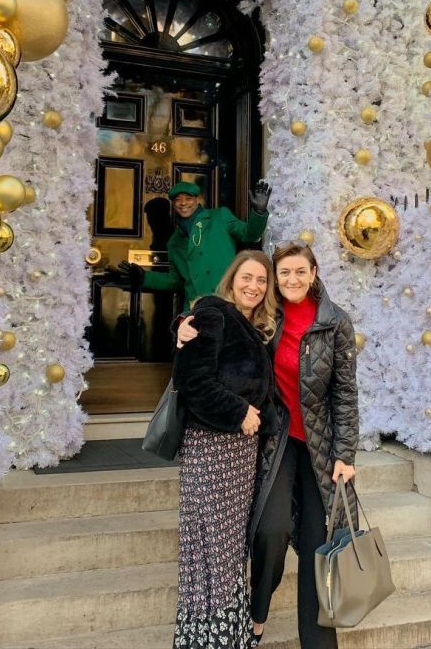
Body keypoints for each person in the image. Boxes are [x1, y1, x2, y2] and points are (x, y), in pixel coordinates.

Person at [178, 241, 359, 649]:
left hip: (320, 446)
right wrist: (181, 324)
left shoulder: (335, 322)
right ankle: (256, 617)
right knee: (270, 531)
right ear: (276, 280)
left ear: (314, 274)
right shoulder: (266, 318)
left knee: (318, 541)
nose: (292, 280)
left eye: (300, 272)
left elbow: (345, 393)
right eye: (284, 273)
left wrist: (345, 453)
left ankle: (319, 643)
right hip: (275, 442)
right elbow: (218, 319)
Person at [171, 250, 279, 649]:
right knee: (210, 546)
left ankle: (230, 636)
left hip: (240, 452)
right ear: (231, 280)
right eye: (246, 278)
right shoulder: (214, 314)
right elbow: (191, 380)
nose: (253, 286)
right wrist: (238, 413)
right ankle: (206, 638)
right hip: (212, 446)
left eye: (261, 281)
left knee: (229, 547)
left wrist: (258, 420)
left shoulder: (254, 326)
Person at [119, 180, 272, 305]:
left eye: (188, 198)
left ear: (197, 200)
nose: (183, 203)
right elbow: (176, 281)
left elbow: (249, 234)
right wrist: (144, 278)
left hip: (226, 302)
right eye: (178, 200)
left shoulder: (219, 217)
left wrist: (259, 212)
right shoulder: (174, 241)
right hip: (195, 308)